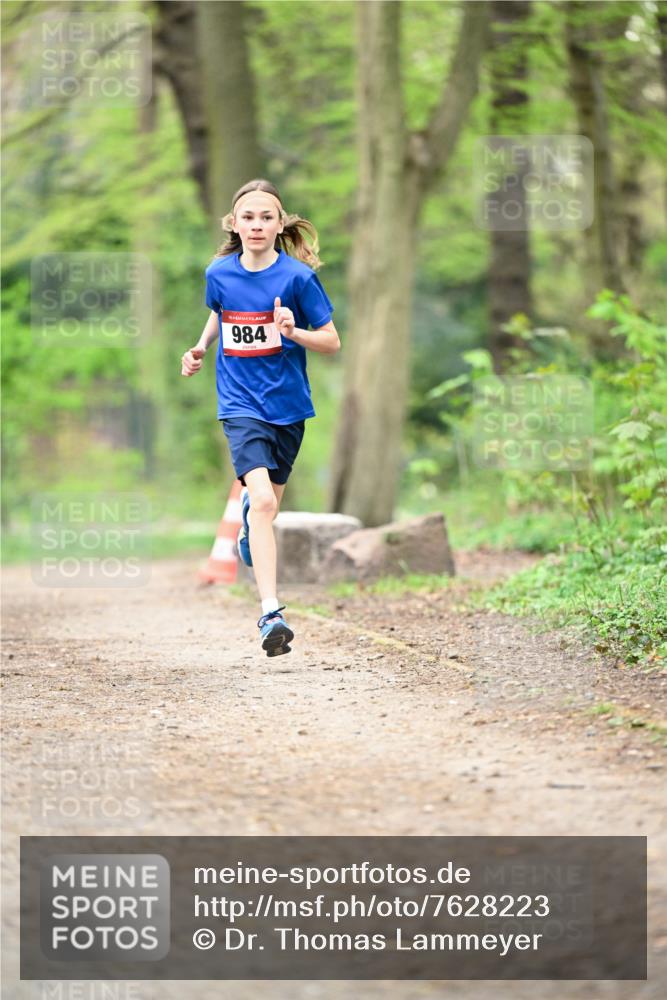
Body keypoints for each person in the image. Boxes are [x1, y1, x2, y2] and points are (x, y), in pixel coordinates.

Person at [181, 179, 340, 657]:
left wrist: (294, 332)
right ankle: (271, 612)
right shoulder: (219, 273)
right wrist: (200, 347)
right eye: (247, 217)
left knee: (266, 509)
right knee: (266, 503)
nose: (256, 225)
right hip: (239, 405)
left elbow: (331, 340)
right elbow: (219, 312)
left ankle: (252, 528)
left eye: (266, 217)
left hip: (288, 408)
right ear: (235, 223)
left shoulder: (298, 279)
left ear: (279, 223)